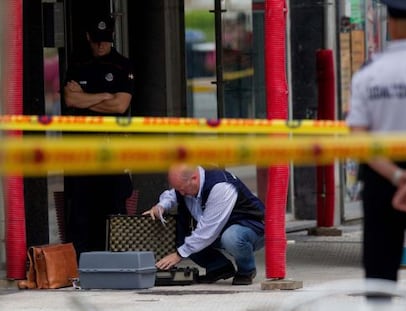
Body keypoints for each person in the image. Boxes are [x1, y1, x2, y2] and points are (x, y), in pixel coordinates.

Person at [346, 0, 406, 282]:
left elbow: (358, 139)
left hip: (381, 179)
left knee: (380, 276)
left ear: (391, 25)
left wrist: (399, 176)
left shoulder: (369, 73)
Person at [62, 14, 135, 258]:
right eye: (97, 40)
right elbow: (70, 99)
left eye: (106, 40)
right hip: (82, 149)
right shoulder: (78, 65)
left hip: (112, 148)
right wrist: (105, 96)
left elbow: (120, 106)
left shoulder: (122, 65)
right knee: (82, 209)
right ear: (88, 38)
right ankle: (80, 263)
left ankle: (116, 260)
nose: (101, 45)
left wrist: (87, 100)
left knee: (114, 206)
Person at [142, 164, 265, 285]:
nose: (181, 194)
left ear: (194, 178)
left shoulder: (220, 186)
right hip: (218, 230)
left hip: (252, 228)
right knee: (187, 238)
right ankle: (219, 268)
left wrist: (179, 254)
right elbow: (172, 194)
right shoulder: (187, 184)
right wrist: (161, 206)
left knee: (231, 237)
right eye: (179, 189)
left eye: (182, 189)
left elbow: (207, 231)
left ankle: (246, 271)